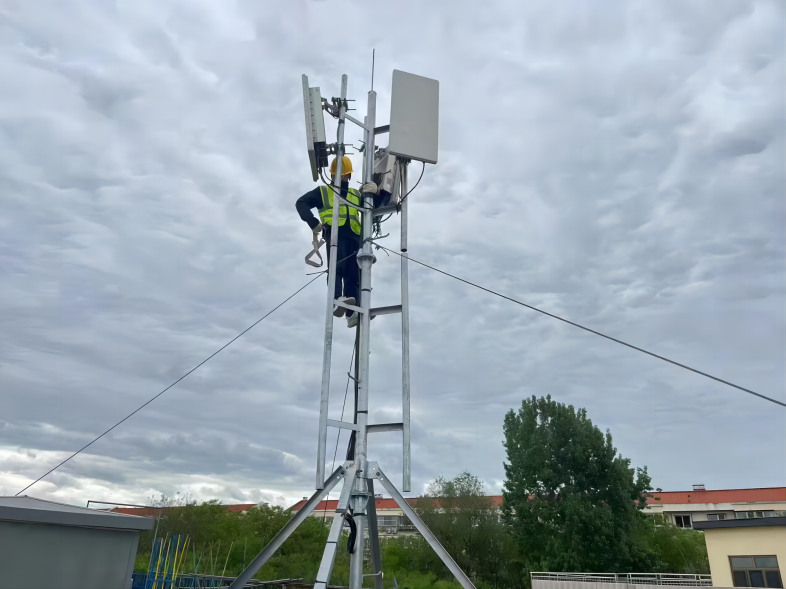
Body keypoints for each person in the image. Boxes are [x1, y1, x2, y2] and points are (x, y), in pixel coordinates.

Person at [296, 156, 363, 328]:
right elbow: (301, 203)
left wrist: (376, 192)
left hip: (355, 237)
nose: (341, 178)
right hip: (335, 235)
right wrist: (312, 222)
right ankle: (336, 300)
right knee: (337, 268)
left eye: (344, 174)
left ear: (348, 175)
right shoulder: (324, 191)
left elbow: (373, 207)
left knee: (353, 274)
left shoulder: (356, 194)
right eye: (338, 174)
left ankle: (351, 313)